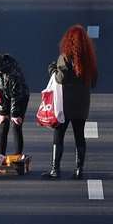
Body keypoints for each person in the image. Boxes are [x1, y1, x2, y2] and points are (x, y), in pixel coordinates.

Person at [46, 25, 97, 179]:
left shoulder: (65, 56)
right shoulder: (89, 59)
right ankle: (78, 169)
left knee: (58, 134)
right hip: (82, 105)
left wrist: (52, 69)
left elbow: (60, 78)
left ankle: (55, 169)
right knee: (79, 135)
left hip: (65, 103)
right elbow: (94, 81)